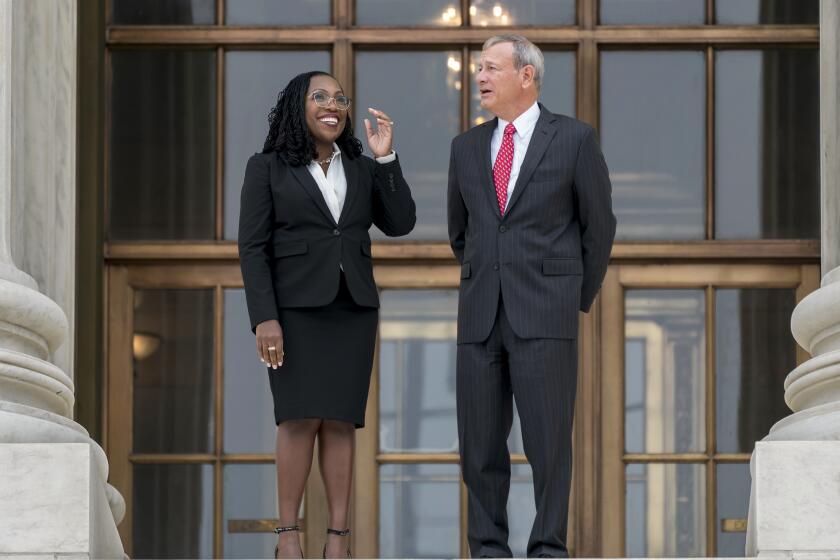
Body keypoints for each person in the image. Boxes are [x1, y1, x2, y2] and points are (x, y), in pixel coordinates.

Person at [447, 35, 616, 558]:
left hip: (546, 316)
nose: (480, 76)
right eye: (479, 68)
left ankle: (547, 547)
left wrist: (570, 298)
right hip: (480, 318)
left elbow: (599, 229)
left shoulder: (574, 140)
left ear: (527, 76)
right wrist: (485, 280)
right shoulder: (466, 147)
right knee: (479, 448)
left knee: (547, 447)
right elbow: (462, 234)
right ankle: (489, 549)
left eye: (492, 67)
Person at [238, 70, 415, 559]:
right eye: (320, 97)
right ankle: (288, 537)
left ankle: (339, 539)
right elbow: (252, 249)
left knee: (340, 420)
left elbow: (400, 223)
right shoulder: (266, 168)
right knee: (297, 417)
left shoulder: (360, 167)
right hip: (293, 311)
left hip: (352, 308)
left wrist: (385, 159)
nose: (332, 105)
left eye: (340, 98)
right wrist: (264, 318)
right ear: (299, 106)